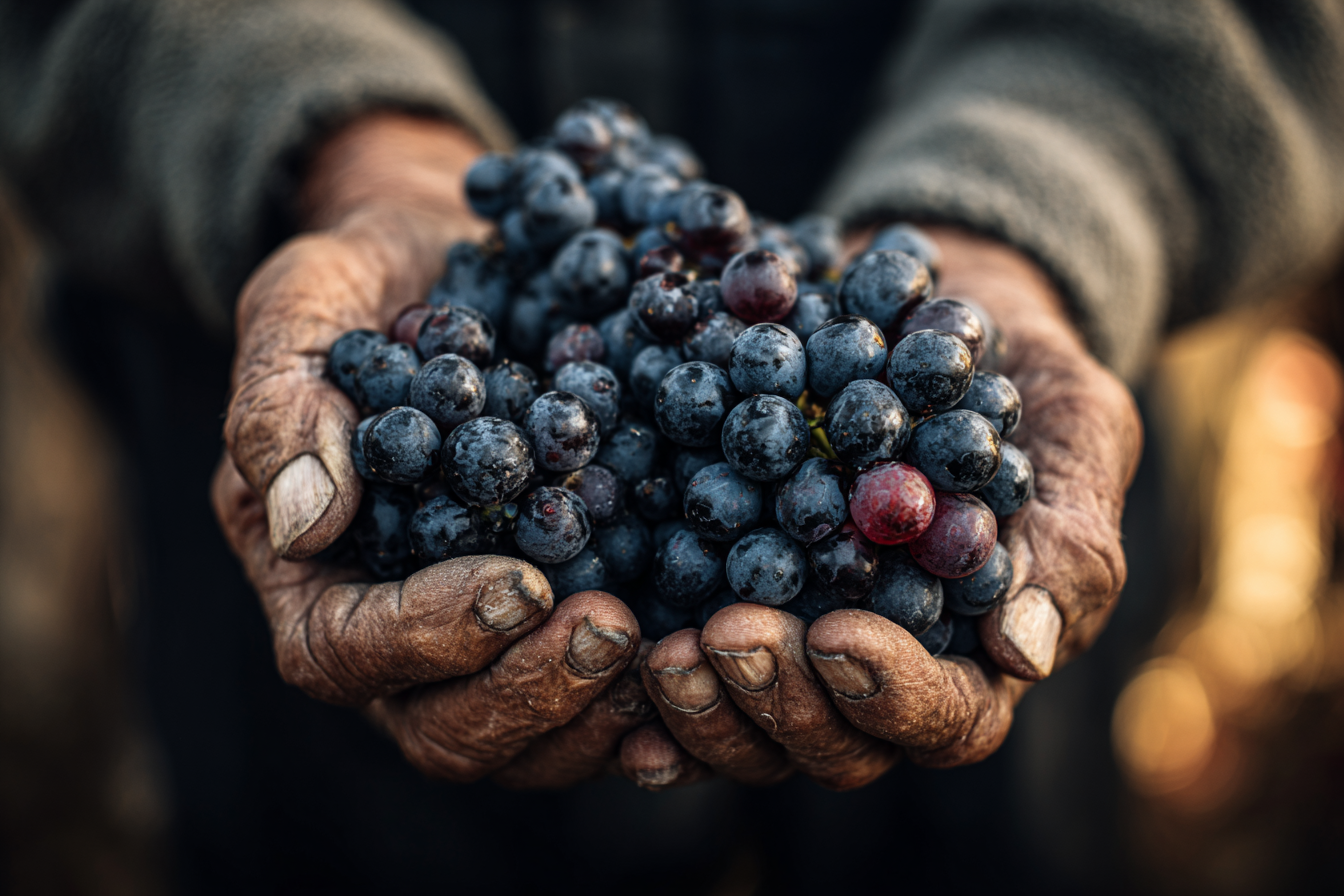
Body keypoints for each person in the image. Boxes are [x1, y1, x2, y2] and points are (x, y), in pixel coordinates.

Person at [2, 0, 1342, 891]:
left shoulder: (880, 444)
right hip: (234, 301)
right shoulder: (592, 407)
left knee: (987, 824)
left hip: (931, 480)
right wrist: (334, 142)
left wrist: (1045, 194)